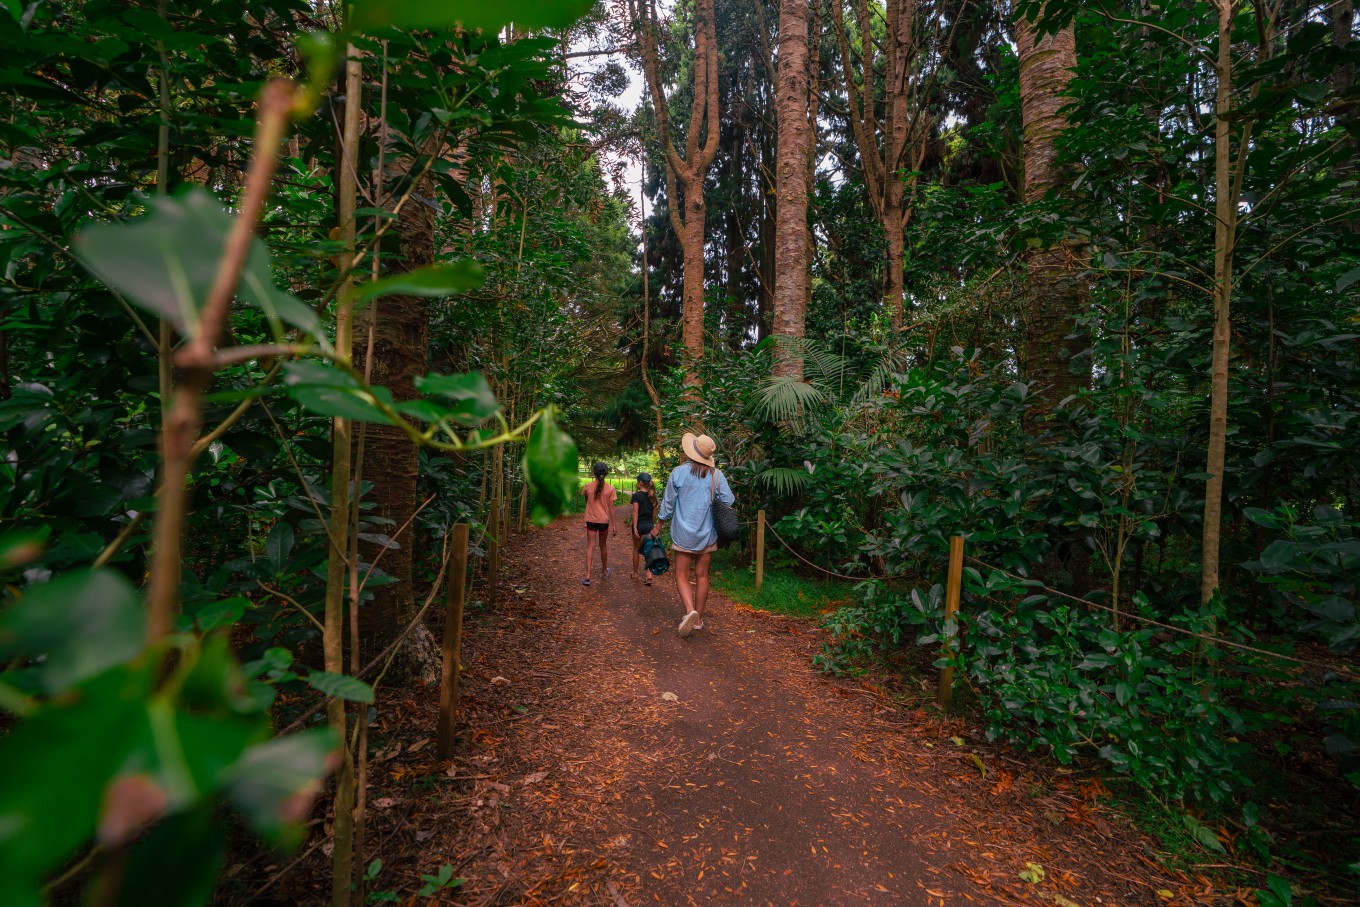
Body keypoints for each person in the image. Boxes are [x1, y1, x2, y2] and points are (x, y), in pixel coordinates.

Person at [656, 432, 733, 637]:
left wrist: (659, 525)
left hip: (683, 533)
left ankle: (690, 610)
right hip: (707, 534)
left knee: (681, 574)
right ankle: (698, 620)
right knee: (702, 576)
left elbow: (668, 504)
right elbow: (729, 500)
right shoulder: (717, 475)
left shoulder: (678, 473)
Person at [581, 461, 617, 586]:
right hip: (604, 521)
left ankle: (588, 575)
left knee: (590, 546)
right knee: (603, 545)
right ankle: (604, 571)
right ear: (606, 474)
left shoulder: (587, 486)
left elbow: (587, 502)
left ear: (594, 473)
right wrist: (614, 525)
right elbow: (612, 508)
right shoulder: (611, 489)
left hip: (591, 520)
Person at [630, 472, 659, 586]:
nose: (637, 483)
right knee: (649, 549)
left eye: (637, 482)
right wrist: (652, 525)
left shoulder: (636, 496)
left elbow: (635, 512)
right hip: (649, 525)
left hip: (639, 525)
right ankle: (649, 575)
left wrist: (635, 527)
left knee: (636, 549)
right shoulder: (653, 496)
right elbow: (654, 515)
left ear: (640, 483)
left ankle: (635, 573)